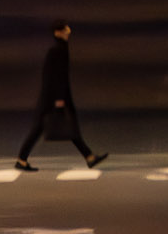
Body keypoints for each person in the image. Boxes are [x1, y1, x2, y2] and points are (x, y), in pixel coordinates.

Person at [16, 19, 107, 169]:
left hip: (56, 96)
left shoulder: (61, 49)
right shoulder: (57, 50)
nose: (68, 33)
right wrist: (59, 99)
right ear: (58, 33)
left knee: (65, 125)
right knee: (45, 127)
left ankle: (89, 157)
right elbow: (55, 76)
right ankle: (21, 160)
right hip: (53, 97)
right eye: (65, 30)